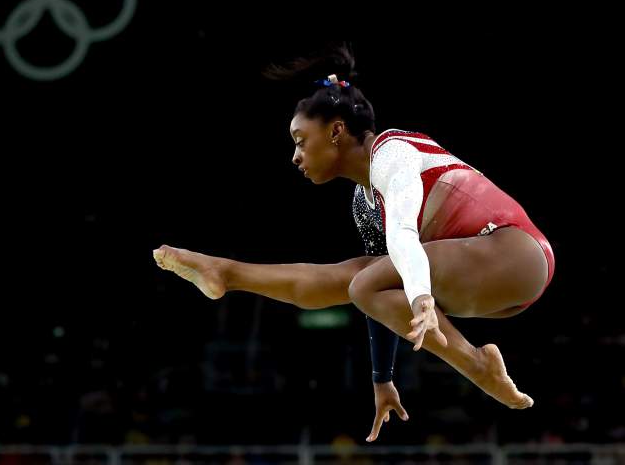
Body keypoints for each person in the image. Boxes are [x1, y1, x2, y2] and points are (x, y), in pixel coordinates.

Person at [153, 43, 555, 442]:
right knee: (356, 278)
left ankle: (477, 366)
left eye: (299, 139)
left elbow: (402, 234)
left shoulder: (393, 150)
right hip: (487, 284)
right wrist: (383, 379)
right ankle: (228, 274)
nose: (295, 156)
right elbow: (382, 295)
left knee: (363, 280)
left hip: (514, 254)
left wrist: (421, 300)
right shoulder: (364, 204)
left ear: (336, 130)